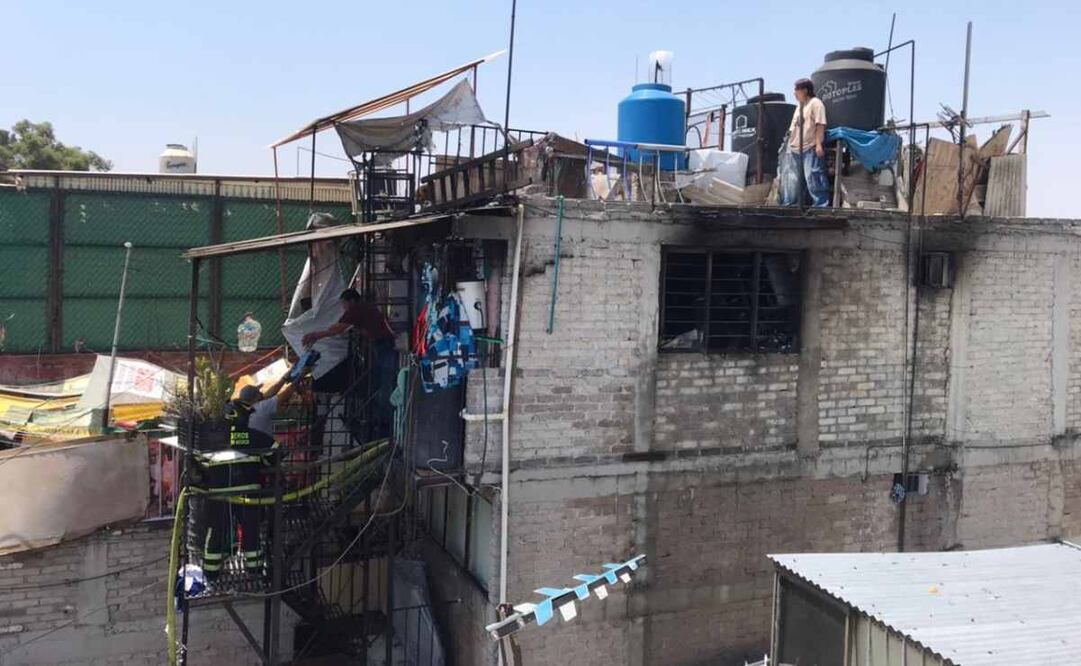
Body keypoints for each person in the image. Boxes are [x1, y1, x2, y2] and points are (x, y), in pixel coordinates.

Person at [199, 370, 295, 580]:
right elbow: (275, 455)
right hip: (248, 492)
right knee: (251, 531)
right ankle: (253, 569)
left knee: (216, 531)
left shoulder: (212, 439)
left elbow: (199, 463)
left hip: (218, 493)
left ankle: (211, 572)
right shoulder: (254, 436)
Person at [302, 288, 397, 436]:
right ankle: (383, 418)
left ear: (351, 301)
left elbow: (337, 329)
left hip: (383, 343)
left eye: (344, 304)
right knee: (381, 379)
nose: (343, 308)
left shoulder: (356, 310)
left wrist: (316, 335)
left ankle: (386, 421)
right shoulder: (364, 309)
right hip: (383, 342)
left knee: (385, 381)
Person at [779, 78, 831, 207]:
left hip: (809, 147)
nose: (794, 93)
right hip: (794, 148)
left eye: (797, 90)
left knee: (813, 176)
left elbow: (820, 124)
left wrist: (819, 144)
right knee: (793, 179)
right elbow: (792, 128)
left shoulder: (816, 103)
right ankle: (791, 205)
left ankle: (821, 205)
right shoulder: (799, 107)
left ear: (805, 90)